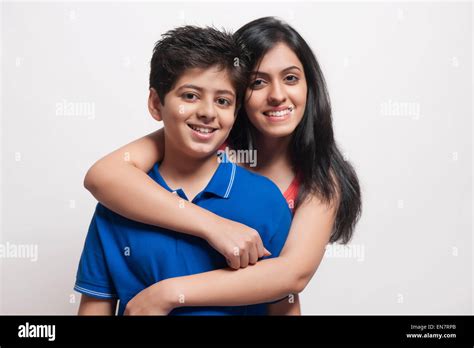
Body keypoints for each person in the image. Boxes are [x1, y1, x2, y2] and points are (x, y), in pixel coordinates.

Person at [84, 17, 362, 316]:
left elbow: (290, 276)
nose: (278, 94)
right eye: (258, 81)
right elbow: (105, 176)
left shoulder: (319, 177)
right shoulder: (203, 141)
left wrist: (168, 294)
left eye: (291, 78)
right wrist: (214, 226)